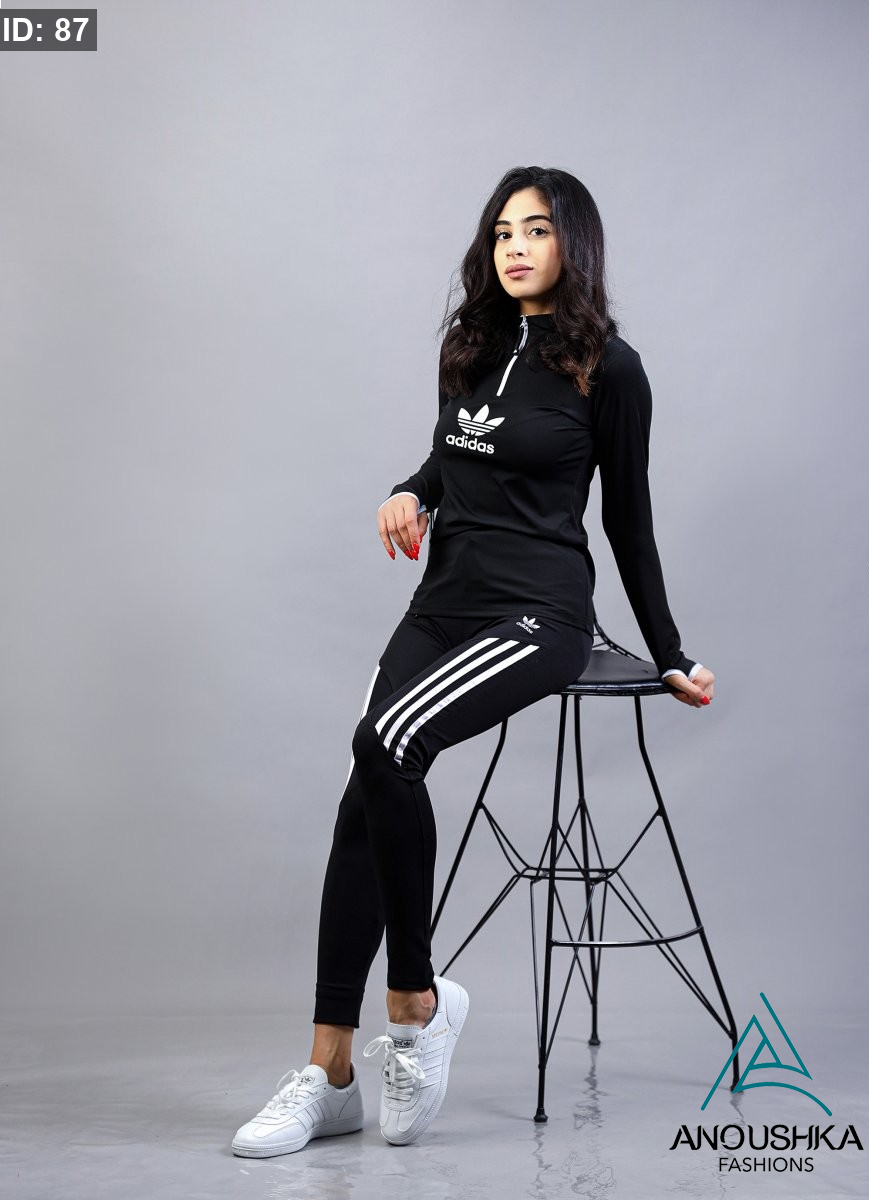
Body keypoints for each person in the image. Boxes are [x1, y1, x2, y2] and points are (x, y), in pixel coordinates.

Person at [231, 165, 715, 1158]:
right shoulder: (472, 345)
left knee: (388, 743)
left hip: (539, 614)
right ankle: (329, 1074)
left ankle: (415, 1001)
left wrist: (669, 651)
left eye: (536, 230)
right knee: (366, 786)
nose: (516, 248)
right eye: (502, 232)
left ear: (575, 243)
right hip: (444, 603)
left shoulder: (610, 370)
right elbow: (449, 462)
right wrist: (408, 493)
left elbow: (628, 520)